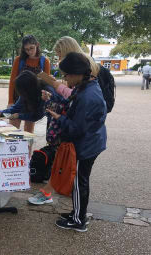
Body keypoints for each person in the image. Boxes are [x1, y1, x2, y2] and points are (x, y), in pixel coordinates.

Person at [29, 36, 100, 205]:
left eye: (60, 54)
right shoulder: (83, 69)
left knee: (66, 160)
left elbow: (75, 97)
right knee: (68, 161)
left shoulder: (83, 71)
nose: (59, 58)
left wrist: (54, 86)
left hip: (76, 124)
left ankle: (71, 207)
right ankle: (70, 195)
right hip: (79, 124)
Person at [48, 52, 107, 232]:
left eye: (65, 75)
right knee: (81, 180)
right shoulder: (88, 86)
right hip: (92, 141)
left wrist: (58, 117)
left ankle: (78, 220)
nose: (64, 79)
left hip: (85, 145)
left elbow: (76, 129)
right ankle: (78, 212)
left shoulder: (87, 96)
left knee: (78, 182)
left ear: (75, 73)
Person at [8, 35, 51, 133]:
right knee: (12, 130)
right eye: (26, 49)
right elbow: (12, 82)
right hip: (18, 97)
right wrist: (10, 101)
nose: (29, 51)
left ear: (37, 45)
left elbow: (46, 84)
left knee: (28, 132)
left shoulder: (45, 61)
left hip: (33, 100)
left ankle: (28, 148)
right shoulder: (19, 60)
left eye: (32, 48)